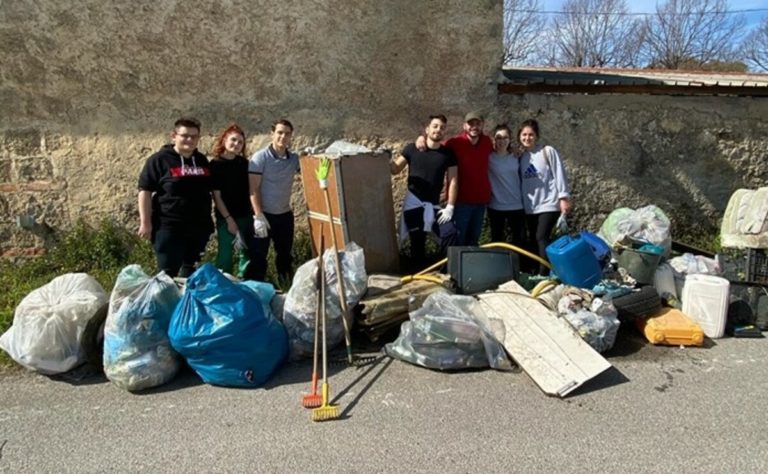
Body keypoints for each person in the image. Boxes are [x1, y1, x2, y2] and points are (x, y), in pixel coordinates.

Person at [137, 117, 213, 278]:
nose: (189, 140)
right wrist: (145, 223)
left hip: (198, 227)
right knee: (167, 274)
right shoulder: (159, 160)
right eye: (185, 136)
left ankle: (185, 303)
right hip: (169, 226)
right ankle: (164, 302)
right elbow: (145, 191)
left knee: (191, 273)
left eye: (194, 136)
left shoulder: (201, 160)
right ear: (174, 136)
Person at [391, 114, 458, 269]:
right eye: (435, 126)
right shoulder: (412, 148)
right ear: (427, 129)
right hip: (414, 205)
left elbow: (453, 180)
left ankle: (444, 273)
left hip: (434, 206)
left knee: (450, 233)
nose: (438, 130)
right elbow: (394, 169)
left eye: (442, 128)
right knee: (417, 243)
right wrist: (385, 157)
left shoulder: (448, 154)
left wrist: (450, 206)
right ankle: (418, 278)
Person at [418, 111, 493, 246]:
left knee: (474, 240)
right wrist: (421, 138)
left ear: (482, 126)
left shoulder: (487, 142)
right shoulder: (455, 143)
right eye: (470, 124)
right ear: (464, 126)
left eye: (477, 124)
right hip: (461, 202)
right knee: (458, 240)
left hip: (481, 202)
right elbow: (434, 145)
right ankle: (455, 267)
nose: (474, 127)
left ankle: (470, 267)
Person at [248, 119, 300, 283]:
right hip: (264, 215)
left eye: (287, 133)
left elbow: (309, 170)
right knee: (258, 256)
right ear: (272, 134)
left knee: (285, 254)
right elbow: (253, 187)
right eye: (280, 132)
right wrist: (258, 215)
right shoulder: (260, 157)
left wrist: (309, 157)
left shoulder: (293, 159)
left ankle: (286, 288)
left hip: (284, 215)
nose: (283, 136)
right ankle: (257, 288)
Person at [518, 119, 571, 274]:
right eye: (524, 135)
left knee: (542, 237)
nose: (527, 138)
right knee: (533, 239)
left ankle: (544, 272)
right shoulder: (521, 157)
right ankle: (534, 271)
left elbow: (559, 173)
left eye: (531, 135)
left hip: (548, 204)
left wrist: (564, 197)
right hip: (530, 207)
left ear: (537, 136)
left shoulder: (547, 151)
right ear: (519, 137)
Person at [209, 123, 257, 279]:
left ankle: (244, 281)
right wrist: (229, 219)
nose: (236, 144)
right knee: (225, 253)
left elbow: (251, 189)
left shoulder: (244, 164)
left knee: (246, 252)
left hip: (245, 215)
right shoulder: (215, 165)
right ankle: (223, 283)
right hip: (225, 217)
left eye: (240, 142)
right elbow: (217, 196)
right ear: (224, 140)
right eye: (233, 140)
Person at [487, 124, 526, 248]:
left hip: (516, 204)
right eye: (498, 137)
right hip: (496, 206)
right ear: (494, 139)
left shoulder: (517, 156)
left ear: (509, 140)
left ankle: (521, 266)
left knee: (519, 240)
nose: (502, 141)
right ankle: (497, 266)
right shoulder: (488, 157)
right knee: (496, 240)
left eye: (505, 137)